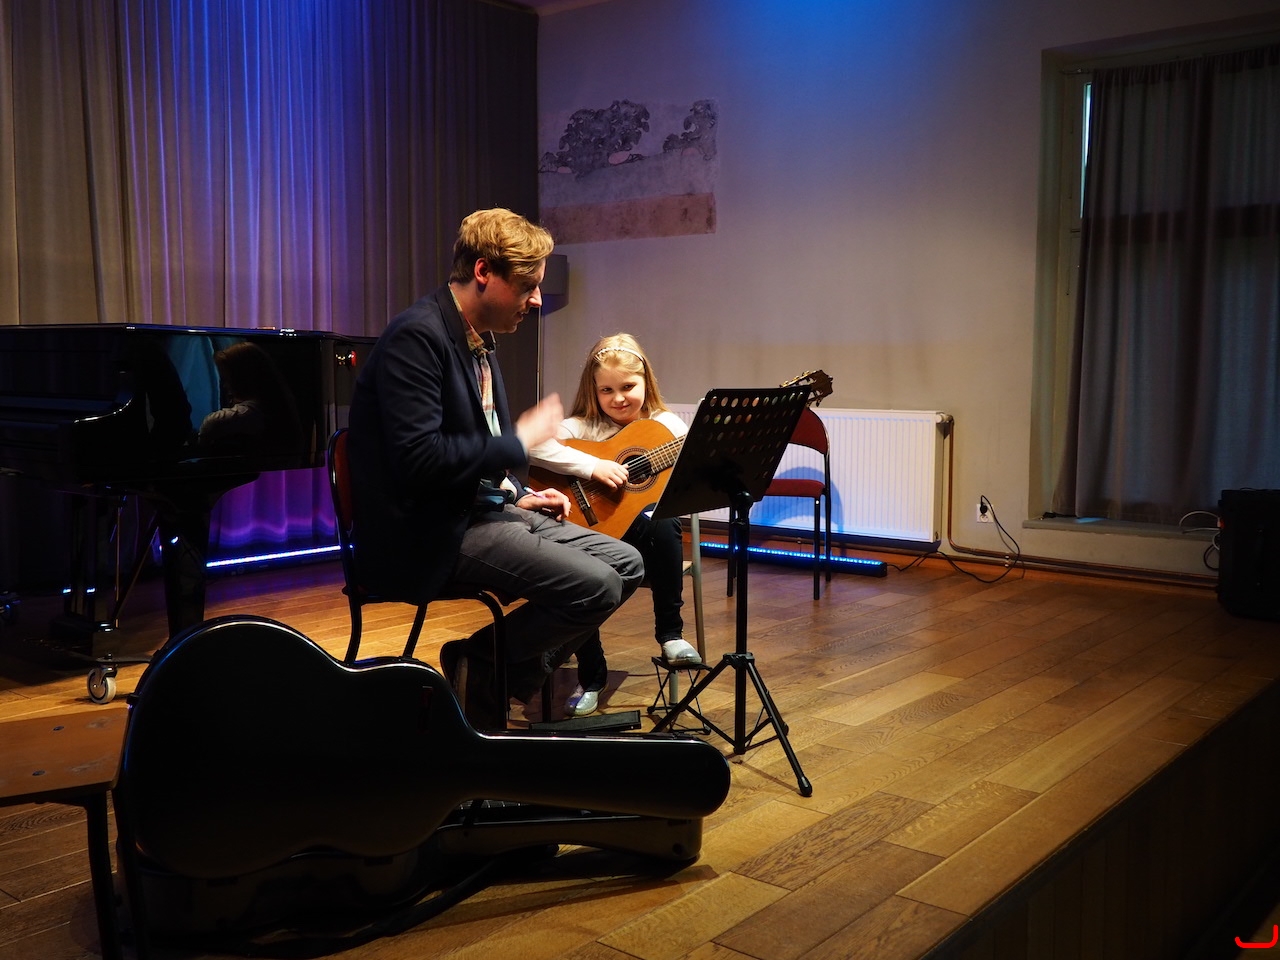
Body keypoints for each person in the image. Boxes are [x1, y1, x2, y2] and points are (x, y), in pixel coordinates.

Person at [346, 209, 644, 729]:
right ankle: (484, 669)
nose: (537, 299)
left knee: (627, 564)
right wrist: (517, 442)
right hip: (428, 530)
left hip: (478, 511)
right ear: (483, 272)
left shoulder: (477, 340)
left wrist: (517, 492)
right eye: (528, 286)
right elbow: (420, 459)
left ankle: (485, 673)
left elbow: (474, 447)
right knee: (596, 586)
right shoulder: (417, 337)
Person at [528, 333, 701, 718]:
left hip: (646, 544)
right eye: (606, 390)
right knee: (581, 572)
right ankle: (592, 675)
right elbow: (532, 445)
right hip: (590, 535)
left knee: (665, 523)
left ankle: (670, 635)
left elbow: (693, 467)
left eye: (627, 387)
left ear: (646, 383)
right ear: (593, 390)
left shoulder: (664, 425)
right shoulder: (582, 427)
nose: (618, 398)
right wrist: (593, 466)